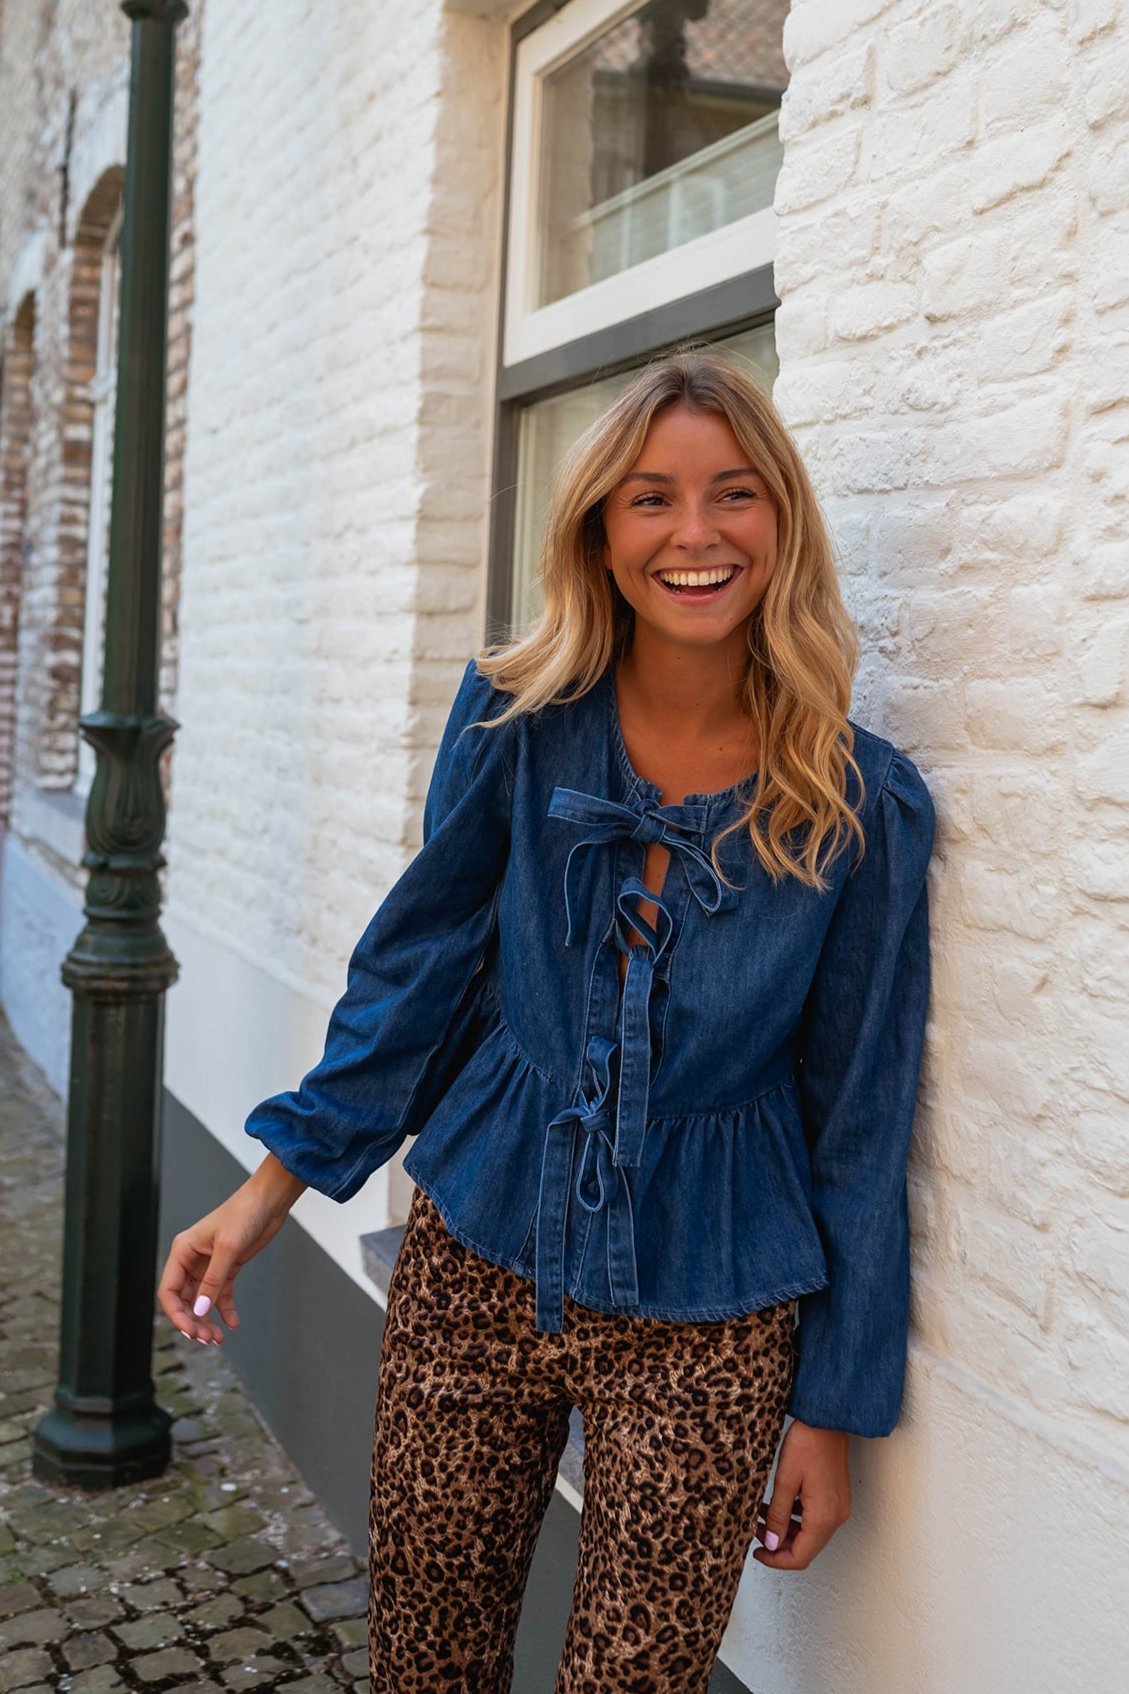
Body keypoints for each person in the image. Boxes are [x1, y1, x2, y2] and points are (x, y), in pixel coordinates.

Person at [157, 348, 935, 1693]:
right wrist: (266, 1189)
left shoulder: (858, 801)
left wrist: (831, 1405)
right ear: (596, 528)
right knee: (427, 1657)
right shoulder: (515, 720)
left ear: (783, 525)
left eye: (733, 495)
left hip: (716, 1294)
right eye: (650, 498)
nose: (693, 534)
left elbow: (859, 1115)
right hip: (477, 1249)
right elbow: (414, 975)